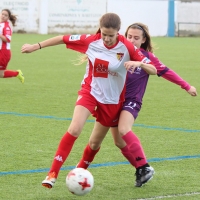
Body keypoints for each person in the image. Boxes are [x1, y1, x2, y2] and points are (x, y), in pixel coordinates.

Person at [21, 13, 156, 189]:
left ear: (118, 32)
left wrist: (139, 64)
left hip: (112, 100)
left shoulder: (127, 46)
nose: (107, 39)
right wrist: (35, 46)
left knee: (99, 142)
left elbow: (152, 69)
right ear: (100, 30)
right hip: (90, 92)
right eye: (104, 34)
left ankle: (137, 168)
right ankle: (52, 174)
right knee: (75, 128)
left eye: (111, 35)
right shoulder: (91, 40)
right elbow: (62, 38)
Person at [76, 22, 197, 187]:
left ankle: (144, 166)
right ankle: (79, 171)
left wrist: (187, 86)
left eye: (136, 38)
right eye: (129, 37)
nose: (132, 40)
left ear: (143, 40)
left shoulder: (146, 58)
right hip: (112, 102)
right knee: (98, 142)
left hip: (131, 102)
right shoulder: (118, 53)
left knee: (124, 129)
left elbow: (165, 71)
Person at [0, 9, 24, 83]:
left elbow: (7, 39)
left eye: (5, 15)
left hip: (4, 52)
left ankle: (17, 73)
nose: (3, 16)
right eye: (2, 14)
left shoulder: (7, 26)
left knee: (1, 74)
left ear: (8, 17)